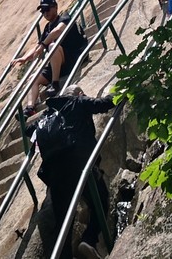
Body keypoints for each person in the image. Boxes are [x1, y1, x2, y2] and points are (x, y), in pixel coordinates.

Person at [34, 86, 114, 259]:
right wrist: (123, 91)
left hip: (55, 174)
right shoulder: (78, 101)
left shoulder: (46, 115)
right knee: (101, 200)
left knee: (63, 222)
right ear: (79, 93)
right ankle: (89, 240)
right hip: (80, 166)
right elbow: (104, 103)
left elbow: (30, 133)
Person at [12, 0, 88, 114]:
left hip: (75, 57)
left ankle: (55, 83)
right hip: (59, 63)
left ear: (55, 7)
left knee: (53, 46)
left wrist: (43, 45)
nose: (45, 13)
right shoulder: (47, 28)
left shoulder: (64, 18)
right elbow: (37, 46)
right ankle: (30, 108)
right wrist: (25, 58)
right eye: (42, 11)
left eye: (47, 9)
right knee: (33, 78)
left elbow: (57, 31)